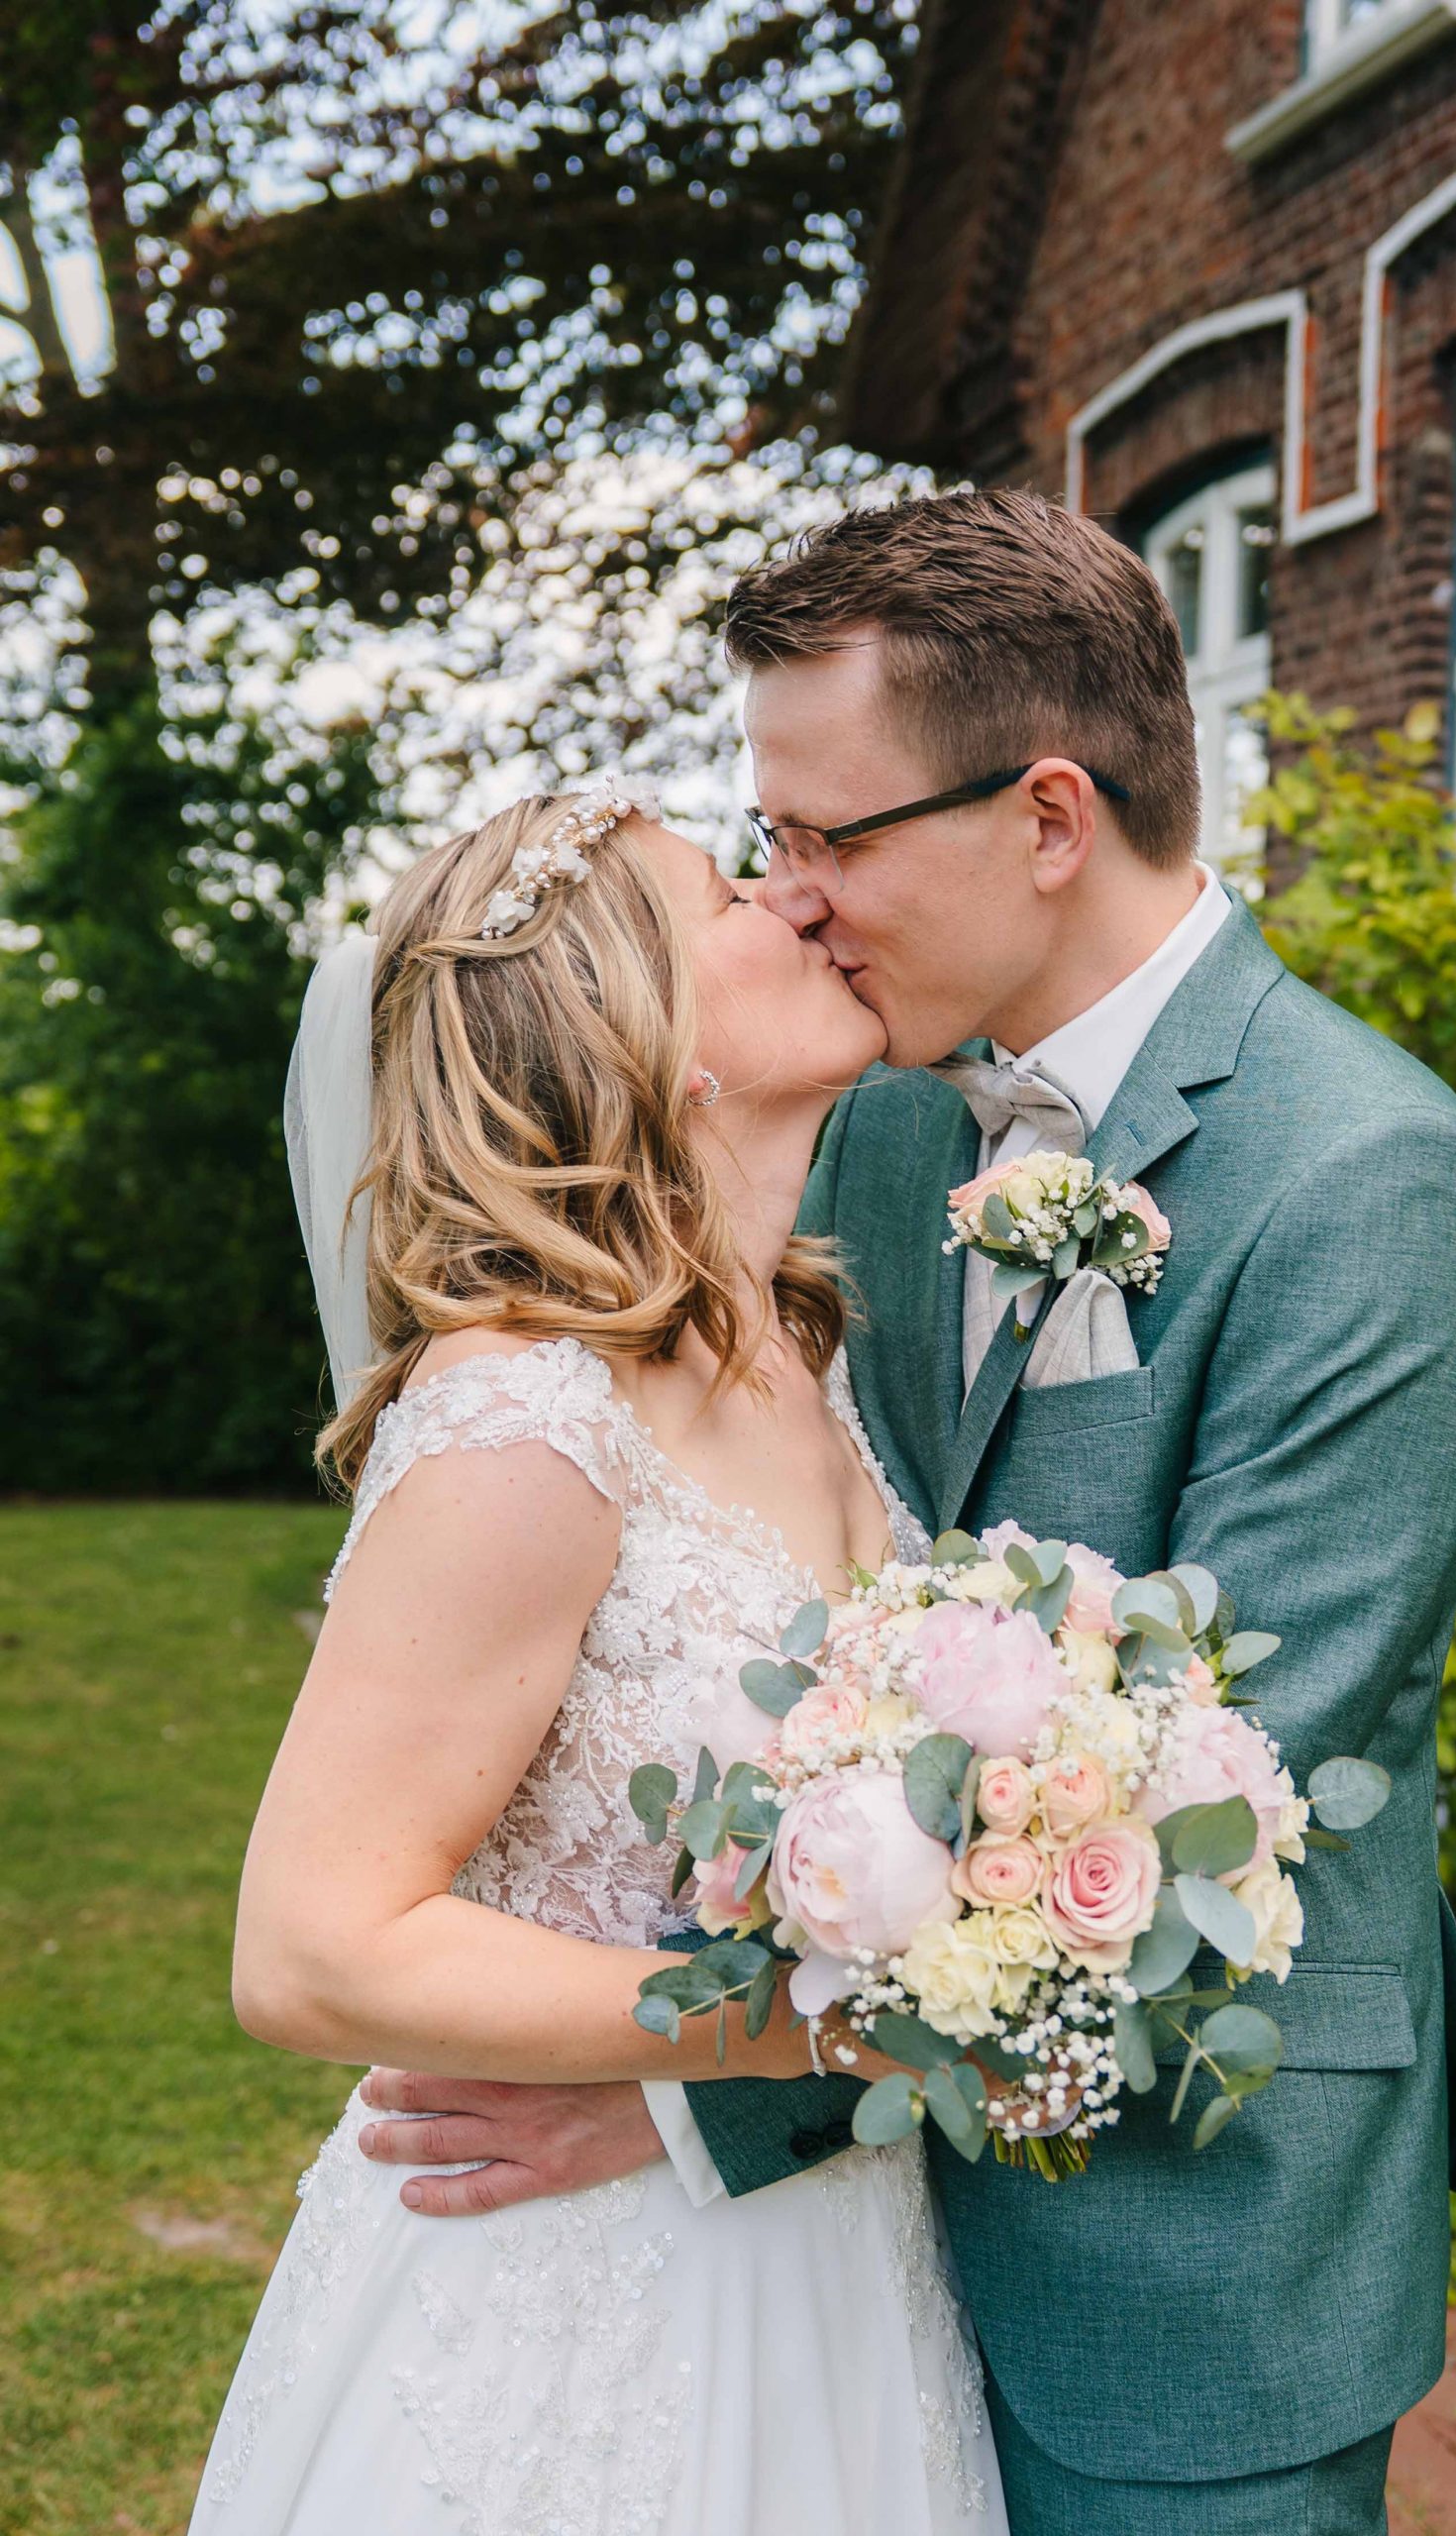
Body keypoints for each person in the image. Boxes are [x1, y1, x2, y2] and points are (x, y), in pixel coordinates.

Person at [370, 489, 1456, 2536]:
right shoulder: (877, 1112)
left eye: (828, 836)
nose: (791, 896)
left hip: (1179, 2253)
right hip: (866, 2261)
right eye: (765, 840)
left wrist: (693, 2095)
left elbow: (1205, 1784)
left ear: (1047, 816)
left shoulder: (1372, 1182)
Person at [189, 781, 1008, 2534]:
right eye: (729, 891)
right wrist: (813, 2033)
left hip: (843, 2282)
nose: (791, 901)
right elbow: (312, 1948)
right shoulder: (523, 1415)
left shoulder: (811, 1362)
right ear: (646, 1039)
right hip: (567, 2303)